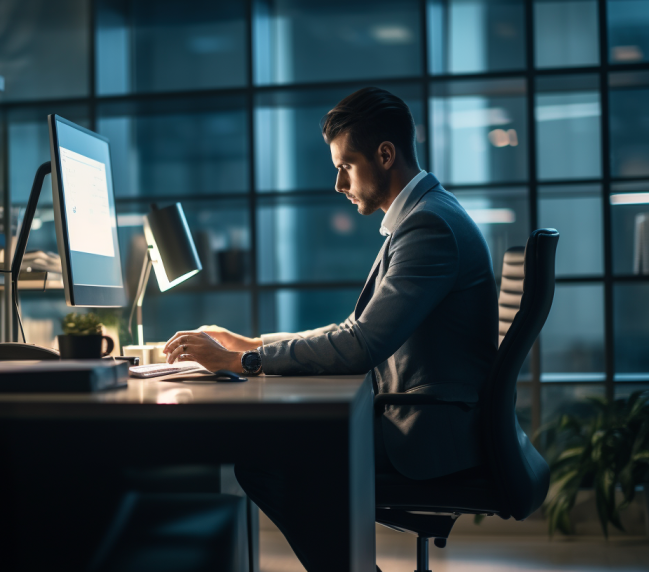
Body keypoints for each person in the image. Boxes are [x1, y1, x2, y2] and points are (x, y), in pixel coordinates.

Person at [161, 87, 498, 572]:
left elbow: (362, 344)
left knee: (266, 461)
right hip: (423, 417)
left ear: (385, 155)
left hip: (429, 435)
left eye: (346, 165)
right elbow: (358, 329)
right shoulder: (424, 217)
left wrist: (242, 362)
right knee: (279, 447)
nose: (338, 182)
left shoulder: (430, 229)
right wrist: (254, 343)